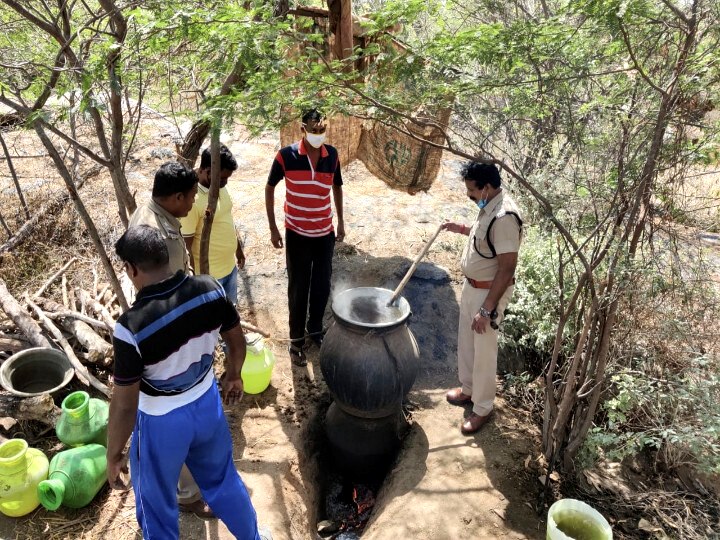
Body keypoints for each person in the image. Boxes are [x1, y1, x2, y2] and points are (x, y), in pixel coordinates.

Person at [107, 225, 267, 540]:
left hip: (162, 422)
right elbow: (237, 341)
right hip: (208, 404)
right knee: (223, 481)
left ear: (131, 269)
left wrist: (113, 455)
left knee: (156, 504)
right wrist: (234, 375)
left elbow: (125, 405)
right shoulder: (209, 289)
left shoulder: (130, 328)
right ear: (166, 257)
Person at [127, 161, 210, 517]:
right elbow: (159, 292)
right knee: (180, 410)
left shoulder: (153, 212)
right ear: (176, 197)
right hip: (167, 336)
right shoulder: (154, 232)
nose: (193, 203)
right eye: (191, 197)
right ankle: (188, 495)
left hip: (167, 329)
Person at [441, 162, 523, 434]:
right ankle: (468, 390)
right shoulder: (489, 207)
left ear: (486, 187)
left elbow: (506, 268)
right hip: (472, 287)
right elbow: (484, 241)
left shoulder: (505, 217)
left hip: (488, 294)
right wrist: (461, 228)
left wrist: (487, 310)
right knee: (467, 341)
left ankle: (483, 407)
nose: (469, 195)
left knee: (484, 351)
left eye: (471, 190)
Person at [265, 109, 345, 366]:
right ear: (302, 129)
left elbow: (337, 187)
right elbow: (269, 188)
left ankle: (314, 329)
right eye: (313, 131)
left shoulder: (331, 155)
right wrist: (273, 228)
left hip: (324, 234)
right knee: (299, 287)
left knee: (322, 284)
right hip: (297, 234)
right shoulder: (286, 156)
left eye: (322, 131)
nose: (318, 136)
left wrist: (340, 221)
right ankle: (296, 341)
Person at [181, 144, 246, 304]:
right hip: (210, 278)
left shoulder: (218, 186)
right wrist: (198, 281)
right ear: (204, 169)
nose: (225, 183)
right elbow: (186, 247)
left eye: (227, 178)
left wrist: (238, 249)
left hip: (230, 269)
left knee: (230, 319)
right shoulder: (192, 200)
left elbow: (226, 218)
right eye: (222, 178)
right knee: (214, 325)